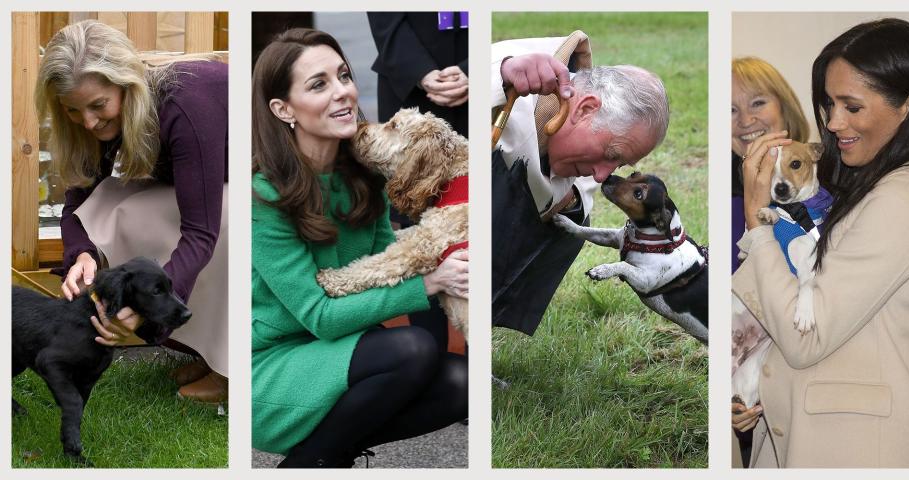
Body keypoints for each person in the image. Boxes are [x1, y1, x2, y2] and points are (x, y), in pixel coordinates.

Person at [733, 18, 909, 467]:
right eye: (830, 104)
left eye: (852, 106)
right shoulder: (867, 185)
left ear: (907, 105)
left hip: (861, 449)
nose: (832, 122)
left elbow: (804, 336)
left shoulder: (904, 199)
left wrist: (757, 224)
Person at [250, 28, 468, 468]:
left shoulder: (365, 177)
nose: (343, 93)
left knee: (462, 384)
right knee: (412, 350)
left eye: (344, 76)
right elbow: (320, 318)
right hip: (276, 367)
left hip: (349, 352)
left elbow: (392, 264)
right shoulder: (265, 198)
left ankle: (330, 452)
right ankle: (308, 464)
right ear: (283, 109)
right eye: (319, 85)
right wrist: (431, 282)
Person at [36, 20, 228, 402]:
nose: (88, 121)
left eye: (97, 105)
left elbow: (201, 234)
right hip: (219, 186)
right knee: (112, 200)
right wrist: (82, 254)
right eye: (73, 111)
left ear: (127, 85)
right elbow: (82, 198)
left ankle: (233, 367)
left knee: (227, 224)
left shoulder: (185, 106)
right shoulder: (103, 119)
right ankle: (207, 352)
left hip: (272, 189)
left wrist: (151, 314)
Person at [491, 32, 670, 335]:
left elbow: (576, 195)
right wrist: (502, 74)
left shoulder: (581, 152)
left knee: (572, 222)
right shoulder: (507, 66)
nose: (601, 176)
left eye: (618, 165)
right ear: (585, 108)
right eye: (611, 155)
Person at [368, 11, 469, 349]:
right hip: (410, 86)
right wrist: (420, 72)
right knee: (417, 230)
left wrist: (474, 69)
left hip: (474, 89)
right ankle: (431, 351)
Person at [729, 56, 809, 466]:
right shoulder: (725, 205)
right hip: (754, 418)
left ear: (785, 108)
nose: (745, 120)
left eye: (758, 102)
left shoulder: (833, 190)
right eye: (731, 109)